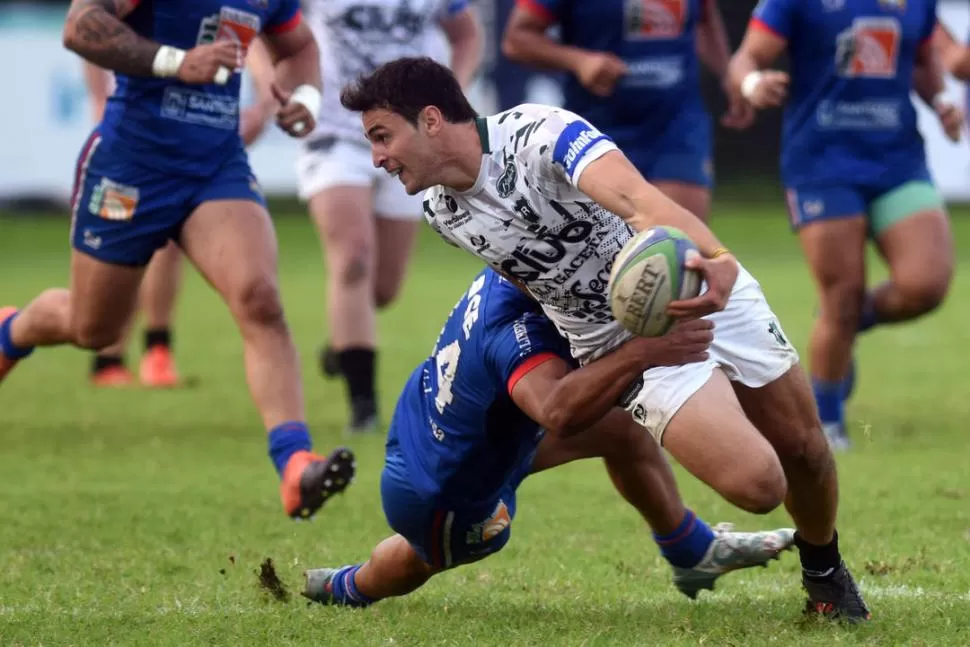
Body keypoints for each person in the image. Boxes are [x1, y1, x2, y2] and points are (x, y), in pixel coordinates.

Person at [338, 57, 869, 622]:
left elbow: (640, 200)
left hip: (690, 273)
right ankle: (686, 517)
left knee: (805, 450)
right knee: (760, 484)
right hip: (619, 342)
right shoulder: (442, 213)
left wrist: (715, 260)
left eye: (382, 136)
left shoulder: (540, 136)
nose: (377, 157)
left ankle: (825, 574)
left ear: (433, 118)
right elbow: (527, 280)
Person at [0, 0, 354, 519]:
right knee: (92, 327)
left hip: (215, 164)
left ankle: (294, 463)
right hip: (131, 164)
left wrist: (303, 95)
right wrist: (173, 61)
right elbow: (80, 26)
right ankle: (12, 330)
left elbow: (298, 46)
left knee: (260, 299)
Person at [302, 267, 795, 607]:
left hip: (454, 428)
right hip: (445, 487)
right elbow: (558, 409)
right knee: (424, 557)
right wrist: (646, 349)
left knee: (624, 430)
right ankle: (349, 587)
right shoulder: (515, 329)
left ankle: (692, 554)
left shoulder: (518, 274)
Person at [727, 0, 960, 450]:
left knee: (926, 284)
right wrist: (753, 83)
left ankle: (842, 323)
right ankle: (828, 424)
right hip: (821, 163)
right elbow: (747, 58)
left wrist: (941, 102)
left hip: (898, 160)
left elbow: (924, 59)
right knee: (842, 293)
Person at [296, 0, 484, 434]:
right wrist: (286, 92)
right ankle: (363, 407)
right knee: (353, 259)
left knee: (382, 288)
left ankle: (345, 345)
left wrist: (453, 95)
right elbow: (270, 29)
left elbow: (467, 34)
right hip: (333, 130)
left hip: (411, 137)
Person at [80, 40, 279, 388]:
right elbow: (90, 34)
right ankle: (106, 353)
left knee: (168, 246)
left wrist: (264, 104)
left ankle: (157, 350)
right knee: (117, 261)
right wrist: (98, 100)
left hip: (186, 147)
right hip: (126, 150)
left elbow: (254, 44)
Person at [501, 0, 753, 222]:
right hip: (597, 129)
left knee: (684, 246)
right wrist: (579, 61)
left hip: (676, 121)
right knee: (602, 254)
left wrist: (728, 76)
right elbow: (516, 40)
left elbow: (705, 19)